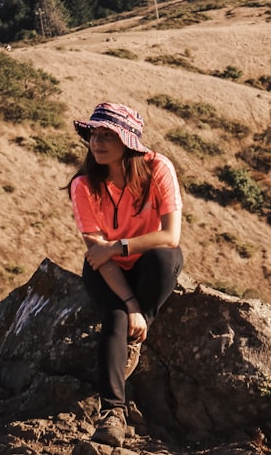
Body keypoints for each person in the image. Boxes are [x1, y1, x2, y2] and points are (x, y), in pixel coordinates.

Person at [67, 102, 184, 447]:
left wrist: (116, 247)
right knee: (116, 318)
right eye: (93, 134)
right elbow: (97, 255)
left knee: (167, 257)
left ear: (128, 142)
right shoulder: (83, 185)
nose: (97, 142)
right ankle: (112, 414)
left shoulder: (158, 168)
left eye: (107, 135)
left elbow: (170, 236)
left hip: (149, 260)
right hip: (106, 269)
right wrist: (131, 304)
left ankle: (140, 326)